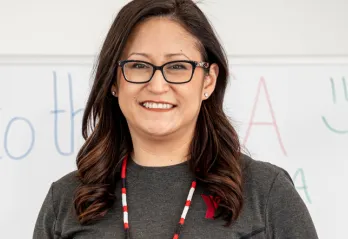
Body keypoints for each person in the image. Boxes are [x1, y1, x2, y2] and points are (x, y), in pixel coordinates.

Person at [33, 0, 319, 238]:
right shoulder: (66, 198)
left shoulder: (265, 192)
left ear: (208, 81)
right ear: (114, 81)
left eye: (179, 66)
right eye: (138, 65)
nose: (157, 85)